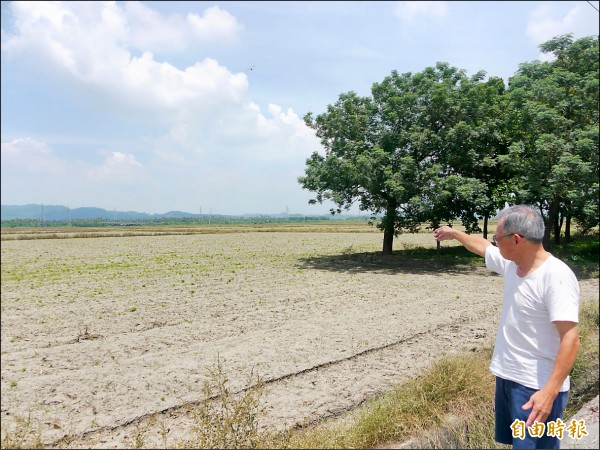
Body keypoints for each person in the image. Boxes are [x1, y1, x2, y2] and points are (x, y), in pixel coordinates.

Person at [433, 205, 580, 449]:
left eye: (498, 238)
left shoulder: (555, 277)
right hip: (509, 378)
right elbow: (482, 247)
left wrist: (549, 392)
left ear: (516, 239)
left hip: (537, 388)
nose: (495, 243)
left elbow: (571, 339)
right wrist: (456, 234)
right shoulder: (513, 264)